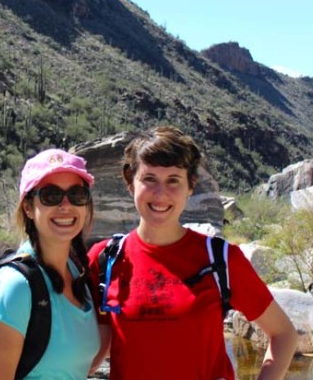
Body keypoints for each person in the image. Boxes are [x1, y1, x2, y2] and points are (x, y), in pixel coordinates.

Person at [87, 126, 297, 380]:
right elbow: (87, 344)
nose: (160, 193)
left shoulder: (220, 259)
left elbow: (283, 334)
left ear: (190, 186)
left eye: (173, 180)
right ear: (130, 183)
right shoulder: (106, 259)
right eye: (149, 179)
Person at [0, 148, 100, 380]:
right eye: (51, 196)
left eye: (77, 195)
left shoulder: (78, 274)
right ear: (28, 207)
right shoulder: (15, 287)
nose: (66, 205)